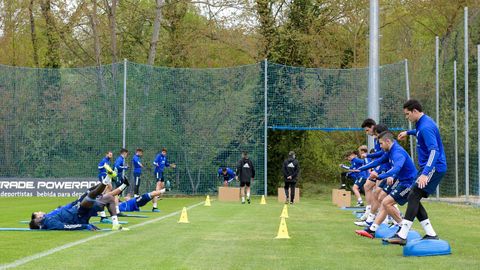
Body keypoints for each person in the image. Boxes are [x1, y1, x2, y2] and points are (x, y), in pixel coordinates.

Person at [385, 99, 447, 245]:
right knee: (413, 196)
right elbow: (419, 133)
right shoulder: (421, 124)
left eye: (407, 115)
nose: (407, 117)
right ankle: (431, 234)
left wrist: (426, 173)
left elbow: (434, 151)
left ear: (415, 111)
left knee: (413, 195)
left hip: (434, 167)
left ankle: (403, 235)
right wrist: (408, 132)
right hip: (428, 167)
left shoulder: (426, 127)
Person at [353, 131, 417, 238]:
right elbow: (377, 162)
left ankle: (403, 227)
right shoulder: (390, 151)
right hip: (402, 181)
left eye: (381, 144)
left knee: (387, 202)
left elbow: (396, 168)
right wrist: (360, 168)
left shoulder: (397, 152)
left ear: (388, 141)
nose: (380, 146)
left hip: (409, 183)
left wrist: (379, 176)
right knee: (385, 202)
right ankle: (372, 229)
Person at [29, 172, 129, 231]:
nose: (40, 216)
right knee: (91, 194)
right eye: (37, 218)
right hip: (77, 213)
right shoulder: (49, 223)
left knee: (109, 198)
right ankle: (108, 179)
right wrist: (85, 226)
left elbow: (62, 209)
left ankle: (115, 224)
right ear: (38, 224)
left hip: (76, 210)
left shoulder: (48, 217)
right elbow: (66, 227)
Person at [114, 148, 129, 213]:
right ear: (124, 153)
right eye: (126, 154)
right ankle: (116, 209)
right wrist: (124, 167)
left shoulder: (122, 159)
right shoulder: (120, 159)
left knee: (125, 184)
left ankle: (117, 199)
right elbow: (117, 166)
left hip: (119, 176)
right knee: (117, 191)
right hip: (117, 176)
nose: (126, 155)